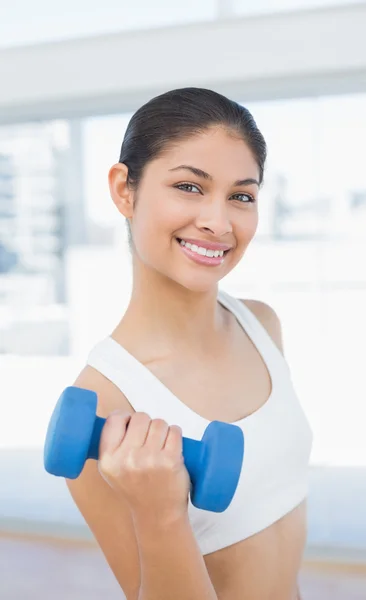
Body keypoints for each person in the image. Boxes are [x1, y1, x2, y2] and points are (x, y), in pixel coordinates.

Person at [67, 87, 313, 600]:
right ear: (123, 190)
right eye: (188, 186)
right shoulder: (105, 403)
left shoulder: (262, 325)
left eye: (241, 196)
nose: (218, 223)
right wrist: (160, 514)